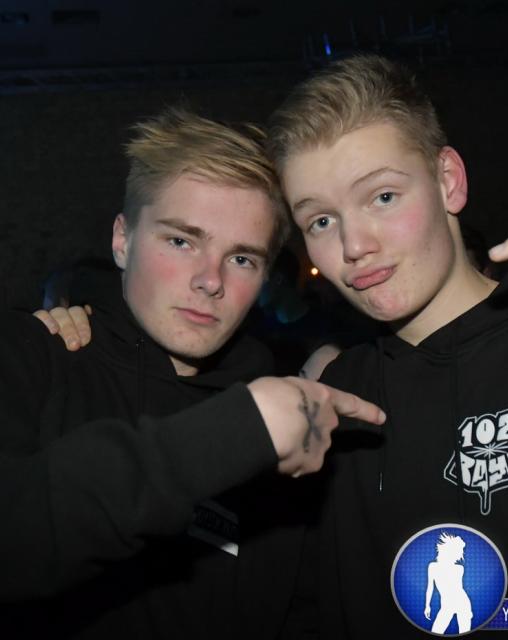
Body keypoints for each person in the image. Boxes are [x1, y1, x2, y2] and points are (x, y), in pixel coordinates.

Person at [263, 55, 508, 637]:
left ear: (448, 181)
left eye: (382, 197)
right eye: (320, 222)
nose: (354, 245)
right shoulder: (333, 400)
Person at [0, 106, 384, 639]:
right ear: (122, 240)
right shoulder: (31, 356)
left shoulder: (292, 421)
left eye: (242, 259)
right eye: (182, 241)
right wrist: (237, 432)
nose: (210, 280)